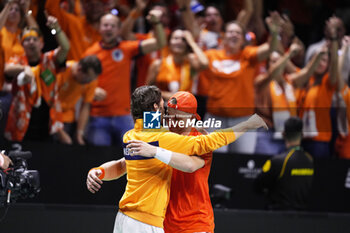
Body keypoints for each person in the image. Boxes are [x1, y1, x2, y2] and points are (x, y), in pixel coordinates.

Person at [86, 85, 268, 232]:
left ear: (192, 117)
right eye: (168, 114)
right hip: (160, 222)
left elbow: (190, 165)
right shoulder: (159, 135)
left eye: (176, 116)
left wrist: (155, 151)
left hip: (194, 224)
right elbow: (124, 164)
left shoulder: (183, 139)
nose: (171, 121)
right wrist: (99, 171)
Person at [83, 10, 167, 146]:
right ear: (99, 28)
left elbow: (160, 43)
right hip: (98, 116)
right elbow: (82, 81)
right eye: (105, 25)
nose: (108, 28)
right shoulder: (90, 52)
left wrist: (156, 22)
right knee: (100, 159)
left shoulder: (126, 48)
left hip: (124, 115)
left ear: (118, 29)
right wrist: (91, 88)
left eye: (112, 26)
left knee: (132, 155)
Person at [4, 14, 70, 143]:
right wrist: (24, 69)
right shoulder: (18, 61)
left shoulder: (50, 60)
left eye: (35, 39)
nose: (31, 42)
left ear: (41, 43)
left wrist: (57, 28)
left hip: (47, 117)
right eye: (27, 40)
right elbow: (7, 69)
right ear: (22, 45)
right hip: (23, 118)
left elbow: (65, 48)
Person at [255, 117, 314, 210]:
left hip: (278, 216)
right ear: (302, 134)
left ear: (283, 134)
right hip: (302, 217)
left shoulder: (277, 161)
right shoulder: (309, 160)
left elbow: (257, 186)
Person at [146, 29, 208, 100]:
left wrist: (192, 42)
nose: (179, 42)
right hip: (162, 107)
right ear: (169, 42)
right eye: (176, 38)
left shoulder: (191, 64)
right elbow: (147, 90)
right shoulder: (158, 64)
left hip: (184, 108)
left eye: (183, 40)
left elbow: (204, 63)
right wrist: (166, 95)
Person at [56, 55, 102, 145]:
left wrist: (79, 133)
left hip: (67, 118)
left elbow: (86, 106)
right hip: (50, 115)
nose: (90, 82)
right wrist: (59, 131)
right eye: (88, 78)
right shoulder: (62, 71)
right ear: (79, 69)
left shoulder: (91, 80)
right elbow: (50, 101)